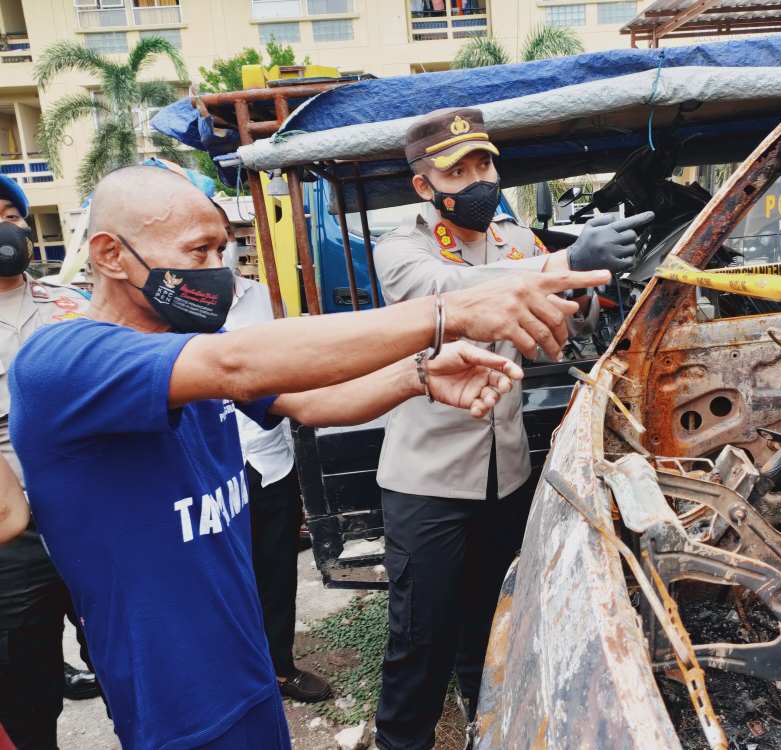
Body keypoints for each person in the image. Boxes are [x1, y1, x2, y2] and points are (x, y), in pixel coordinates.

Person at [9, 165, 608, 750]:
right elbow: (237, 365)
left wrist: (420, 375)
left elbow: (314, 403)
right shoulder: (64, 361)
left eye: (222, 249)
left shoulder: (189, 351)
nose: (219, 270)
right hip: (176, 696)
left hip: (244, 663)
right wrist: (451, 313)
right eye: (198, 252)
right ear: (111, 255)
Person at [372, 107, 653, 750]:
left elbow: (567, 323)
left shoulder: (516, 242)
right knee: (420, 639)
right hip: (429, 482)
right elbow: (450, 295)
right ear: (423, 185)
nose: (479, 180)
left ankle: (485, 727)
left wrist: (590, 284)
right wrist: (564, 261)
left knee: (494, 620)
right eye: (459, 172)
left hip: (506, 473)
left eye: (485, 164)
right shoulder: (403, 249)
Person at [0, 175, 100, 750]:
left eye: (10, 215)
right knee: (23, 685)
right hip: (11, 536)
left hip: (89, 515)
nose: (3, 229)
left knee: (120, 655)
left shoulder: (75, 307)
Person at [217, 204, 330, 702]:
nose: (218, 252)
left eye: (222, 238)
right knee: (223, 580)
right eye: (200, 244)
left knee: (277, 570)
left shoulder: (264, 298)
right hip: (213, 470)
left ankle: (279, 669)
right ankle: (232, 677)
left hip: (269, 459)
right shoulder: (167, 316)